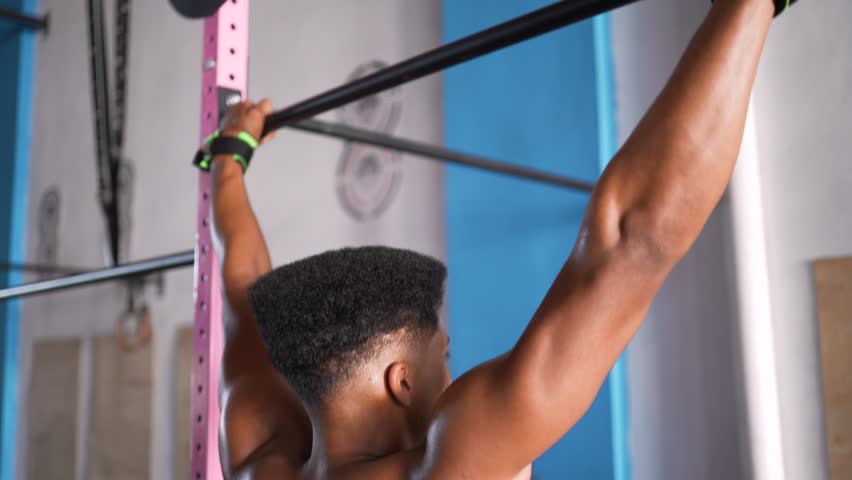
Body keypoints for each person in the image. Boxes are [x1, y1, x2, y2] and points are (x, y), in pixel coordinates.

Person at [211, 0, 793, 477]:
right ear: (401, 380)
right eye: (445, 353)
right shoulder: (452, 463)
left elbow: (246, 294)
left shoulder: (258, 457)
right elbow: (627, 241)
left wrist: (230, 159)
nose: (450, 369)